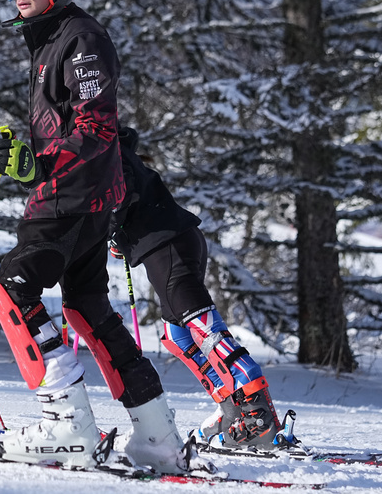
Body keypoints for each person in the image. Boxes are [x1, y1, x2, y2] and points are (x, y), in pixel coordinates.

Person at [0, 0, 194, 473]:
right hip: (82, 195)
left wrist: (39, 166)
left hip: (70, 197)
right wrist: (26, 156)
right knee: (86, 306)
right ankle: (156, 433)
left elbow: (96, 126)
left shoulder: (79, 38)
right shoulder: (52, 38)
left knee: (14, 290)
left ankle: (66, 425)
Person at [108, 126, 285, 449]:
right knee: (180, 336)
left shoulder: (109, 155)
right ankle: (234, 408)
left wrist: (110, 225)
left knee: (204, 327)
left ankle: (257, 410)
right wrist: (120, 233)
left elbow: (122, 195)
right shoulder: (114, 153)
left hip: (169, 247)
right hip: (169, 246)